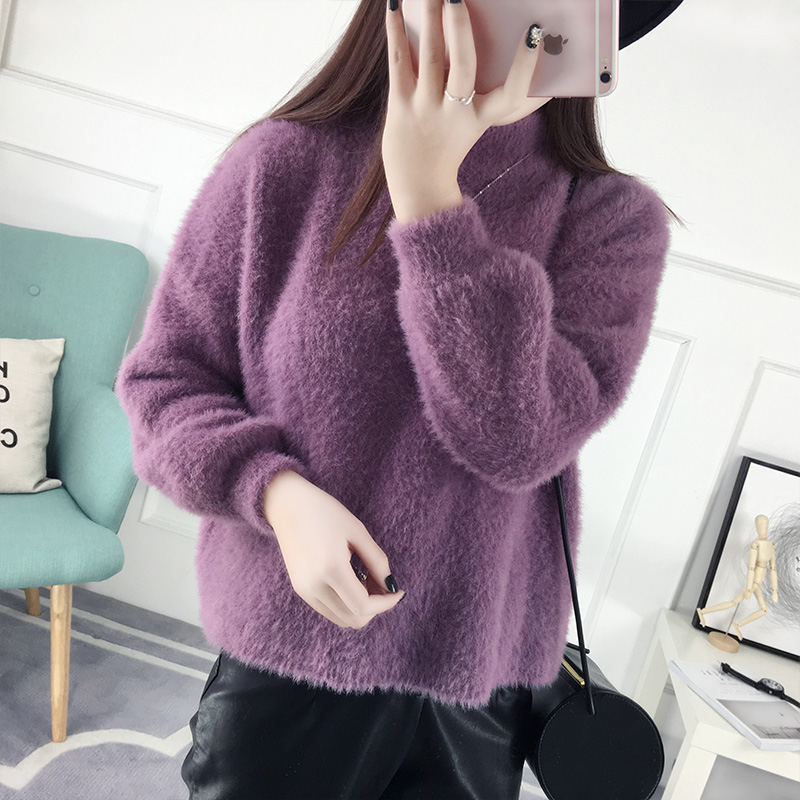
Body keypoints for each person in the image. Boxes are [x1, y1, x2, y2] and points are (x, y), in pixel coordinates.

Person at [115, 1, 683, 798]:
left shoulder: (611, 221)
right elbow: (165, 384)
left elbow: (519, 442)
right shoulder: (282, 162)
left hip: (472, 688)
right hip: (287, 656)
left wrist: (429, 201)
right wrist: (275, 493)